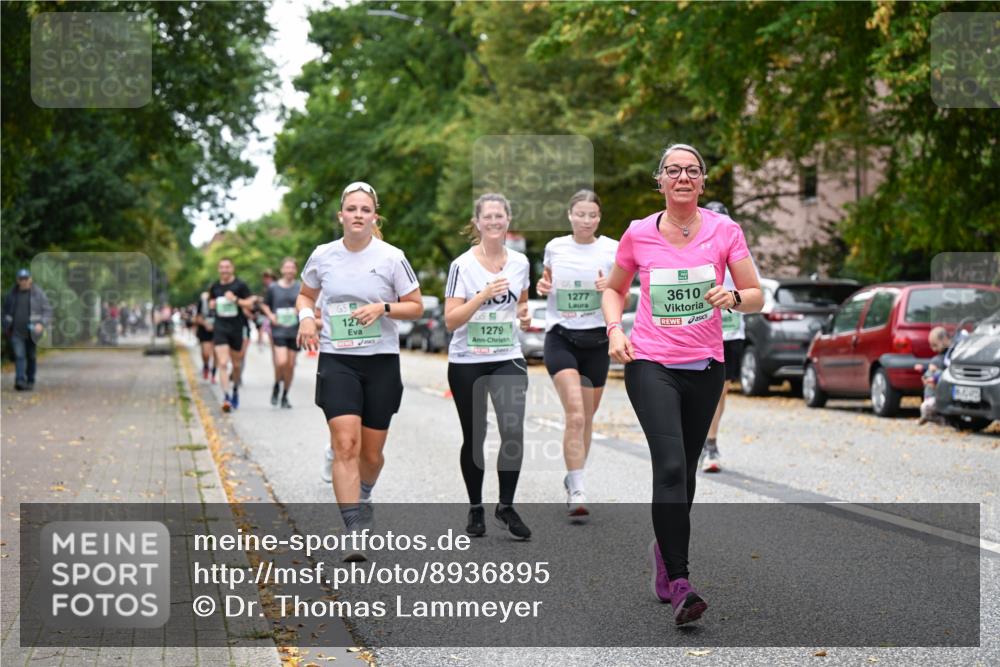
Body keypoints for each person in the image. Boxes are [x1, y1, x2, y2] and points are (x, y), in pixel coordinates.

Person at [601, 144, 762, 625]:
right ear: (661, 181)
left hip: (705, 366)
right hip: (651, 363)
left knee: (686, 473)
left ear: (703, 182)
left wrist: (732, 296)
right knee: (669, 466)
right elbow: (614, 288)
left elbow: (755, 294)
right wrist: (614, 329)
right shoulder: (637, 234)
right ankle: (682, 584)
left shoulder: (724, 230)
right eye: (673, 171)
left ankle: (663, 555)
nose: (683, 177)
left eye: (692, 170)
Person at [296, 181, 423, 559]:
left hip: (381, 360)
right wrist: (306, 317)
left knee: (371, 454)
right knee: (345, 444)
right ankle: (353, 530)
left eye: (365, 210)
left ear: (374, 217)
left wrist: (383, 309)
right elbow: (306, 294)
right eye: (351, 209)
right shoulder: (323, 255)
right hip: (338, 358)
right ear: (341, 215)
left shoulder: (391, 257)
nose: (358, 215)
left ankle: (364, 493)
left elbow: (415, 306)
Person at [444, 193, 533, 540]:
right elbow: (451, 320)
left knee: (513, 432)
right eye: (488, 217)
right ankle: (476, 507)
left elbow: (521, 304)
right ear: (477, 222)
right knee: (475, 435)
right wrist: (482, 295)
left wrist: (524, 316)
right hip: (468, 361)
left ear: (507, 221)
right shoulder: (462, 266)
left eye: (500, 216)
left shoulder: (521, 263)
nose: (494, 222)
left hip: (507, 356)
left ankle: (506, 506)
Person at [535, 189, 618, 518]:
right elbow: (546, 282)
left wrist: (610, 288)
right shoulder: (555, 247)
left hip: (597, 341)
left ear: (599, 218)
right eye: (580, 214)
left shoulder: (612, 249)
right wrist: (543, 288)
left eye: (592, 215)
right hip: (561, 338)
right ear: (570, 215)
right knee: (577, 415)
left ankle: (573, 477)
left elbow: (622, 294)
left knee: (588, 417)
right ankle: (580, 486)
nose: (586, 220)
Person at [700, 201, 751, 473]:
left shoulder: (739, 251)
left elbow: (753, 291)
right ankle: (703, 440)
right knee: (703, 390)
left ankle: (710, 442)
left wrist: (735, 298)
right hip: (701, 333)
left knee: (720, 390)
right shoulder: (698, 250)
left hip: (731, 333)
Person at [208, 258, 254, 412]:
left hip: (236, 328)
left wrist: (235, 299)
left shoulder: (240, 285)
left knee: (236, 364)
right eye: (222, 267)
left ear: (232, 268)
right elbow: (211, 302)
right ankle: (226, 397)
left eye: (227, 267)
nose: (224, 270)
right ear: (218, 269)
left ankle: (235, 390)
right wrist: (212, 304)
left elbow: (250, 303)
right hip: (220, 327)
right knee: (222, 362)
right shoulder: (215, 286)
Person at [3, 268, 53, 391]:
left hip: (32, 333)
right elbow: (4, 312)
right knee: (19, 355)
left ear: (30, 279)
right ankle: (19, 380)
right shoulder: (11, 294)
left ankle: (30, 380)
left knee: (31, 356)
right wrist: (5, 325)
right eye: (21, 279)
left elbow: (48, 311)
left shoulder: (38, 294)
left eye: (26, 279)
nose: (24, 281)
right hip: (15, 332)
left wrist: (41, 324)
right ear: (17, 280)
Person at [261, 258, 300, 408]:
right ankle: (277, 384)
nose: (289, 270)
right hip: (278, 330)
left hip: (294, 330)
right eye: (287, 267)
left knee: (290, 365)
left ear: (295, 270)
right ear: (282, 270)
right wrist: (271, 316)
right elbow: (265, 305)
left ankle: (285, 395)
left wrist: (300, 310)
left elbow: (307, 303)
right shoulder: (273, 288)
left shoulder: (300, 287)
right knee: (281, 362)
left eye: (292, 267)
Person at [917, 326, 952, 425]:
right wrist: (924, 371)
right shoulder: (940, 355)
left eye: (935, 345)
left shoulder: (951, 352)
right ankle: (928, 409)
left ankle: (931, 412)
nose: (933, 349)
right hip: (935, 384)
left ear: (945, 340)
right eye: (931, 345)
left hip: (944, 381)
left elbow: (949, 369)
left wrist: (935, 376)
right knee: (929, 373)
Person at [194, 291, 217, 381]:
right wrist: (206, 324)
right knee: (206, 353)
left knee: (217, 353)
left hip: (218, 331)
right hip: (205, 330)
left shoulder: (221, 302)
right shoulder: (202, 302)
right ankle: (206, 366)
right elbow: (197, 317)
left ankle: (214, 373)